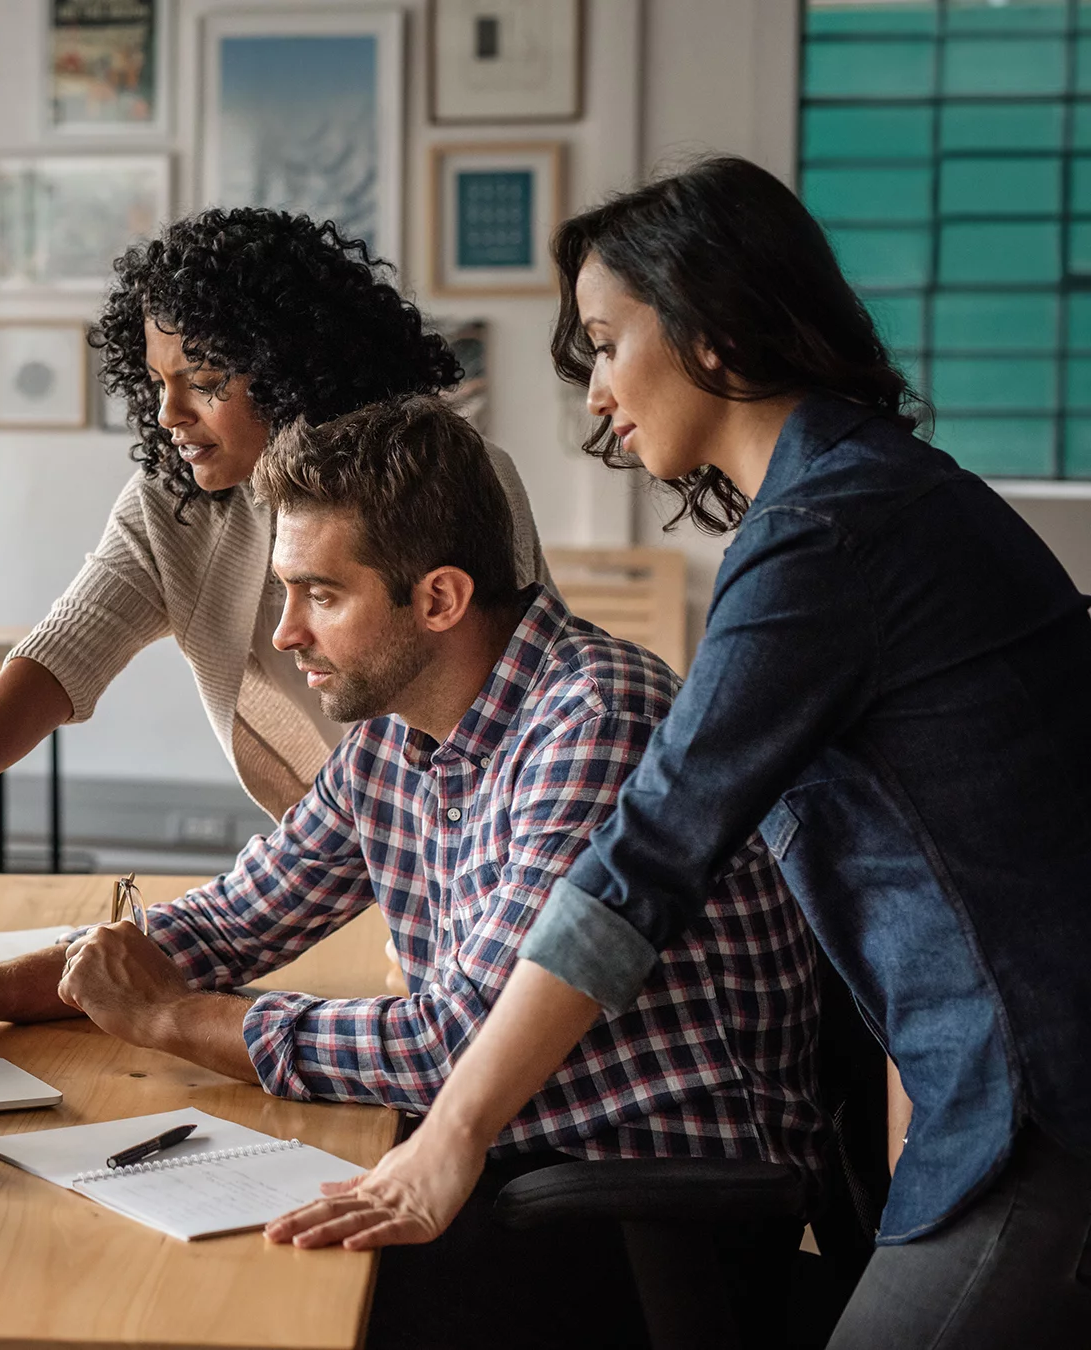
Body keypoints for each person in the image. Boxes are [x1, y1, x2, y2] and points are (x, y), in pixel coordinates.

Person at [269, 157, 1091, 1347]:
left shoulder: (828, 535)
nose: (598, 394)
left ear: (714, 329)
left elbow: (645, 858)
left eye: (609, 343)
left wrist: (453, 1134)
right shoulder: (861, 500)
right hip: (1000, 1085)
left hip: (1044, 1095)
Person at [0, 395, 821, 1349]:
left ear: (439, 598)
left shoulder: (592, 720)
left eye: (321, 595)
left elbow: (452, 1044)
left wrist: (173, 1021)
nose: (285, 632)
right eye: (286, 590)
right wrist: (2, 987)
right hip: (507, 1162)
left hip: (634, 1212)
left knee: (189, 1300)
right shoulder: (401, 725)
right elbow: (234, 920)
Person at [0, 208, 549, 930]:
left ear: (294, 369)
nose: (168, 413)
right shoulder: (174, 502)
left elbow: (506, 710)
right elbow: (61, 656)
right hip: (333, 855)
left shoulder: (444, 483)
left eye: (204, 379)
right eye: (157, 381)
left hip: (486, 849)